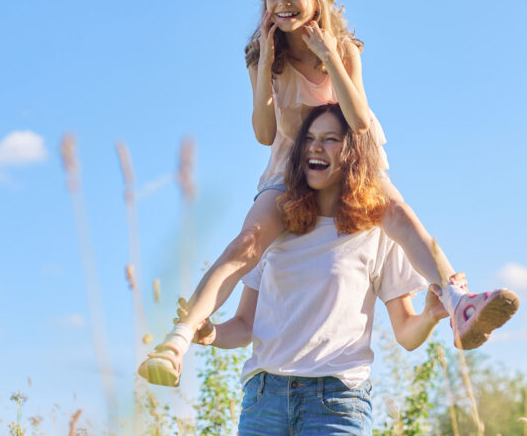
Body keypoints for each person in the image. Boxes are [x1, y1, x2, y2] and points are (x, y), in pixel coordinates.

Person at [139, 0, 518, 387]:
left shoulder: (345, 48)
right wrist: (264, 62)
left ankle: (458, 304)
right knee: (247, 242)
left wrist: (329, 55)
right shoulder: (260, 55)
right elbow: (264, 133)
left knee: (397, 214)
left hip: (351, 153)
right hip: (291, 159)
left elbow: (357, 120)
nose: (281, 1)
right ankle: (178, 341)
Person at [194, 104, 464, 435]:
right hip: (264, 401)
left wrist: (429, 317)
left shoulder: (376, 230)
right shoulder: (275, 225)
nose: (316, 147)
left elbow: (406, 333)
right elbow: (244, 324)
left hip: (336, 403)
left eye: (330, 139)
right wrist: (211, 334)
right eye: (308, 138)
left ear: (353, 154)